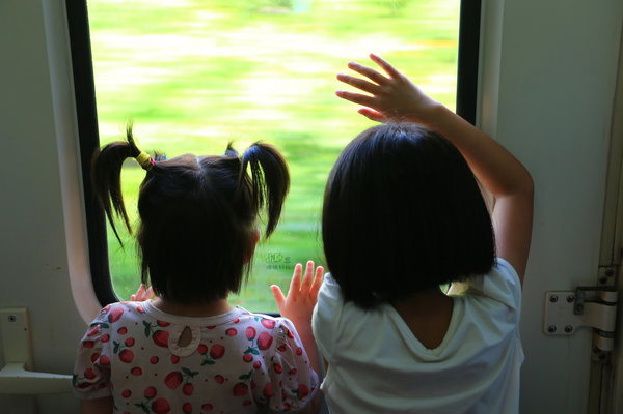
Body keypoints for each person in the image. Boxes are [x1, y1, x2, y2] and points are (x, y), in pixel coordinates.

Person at [313, 54, 534, 413]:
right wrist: (428, 111)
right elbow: (515, 188)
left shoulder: (338, 318)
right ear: (464, 219)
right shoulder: (498, 309)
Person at [72, 127, 323, 414]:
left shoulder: (111, 328)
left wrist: (133, 315)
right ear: (248, 249)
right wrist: (302, 326)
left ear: (145, 245)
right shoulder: (271, 341)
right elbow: (309, 407)